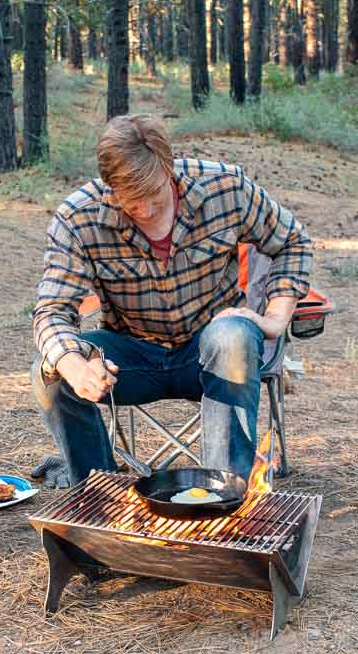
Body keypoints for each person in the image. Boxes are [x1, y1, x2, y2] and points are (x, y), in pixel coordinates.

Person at [30, 114, 312, 487]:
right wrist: (74, 366)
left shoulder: (223, 188)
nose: (145, 212)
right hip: (132, 357)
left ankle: (224, 493)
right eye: (130, 202)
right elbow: (52, 311)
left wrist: (275, 319)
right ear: (108, 186)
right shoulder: (78, 218)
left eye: (154, 198)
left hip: (212, 352)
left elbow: (293, 240)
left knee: (232, 336)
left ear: (169, 169)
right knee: (49, 370)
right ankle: (97, 495)